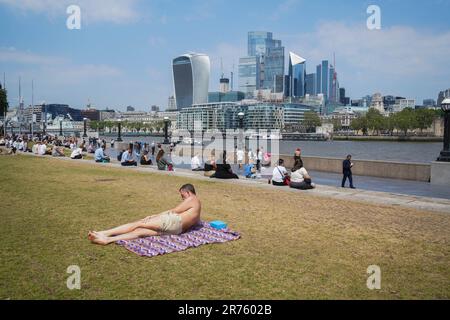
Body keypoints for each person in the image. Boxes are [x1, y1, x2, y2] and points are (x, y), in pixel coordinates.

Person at [88, 184, 201, 245]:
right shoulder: (197, 208)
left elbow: (173, 211)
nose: (182, 198)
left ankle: (104, 233)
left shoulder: (192, 199)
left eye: (182, 195)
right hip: (177, 230)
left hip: (173, 222)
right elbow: (194, 222)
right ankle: (107, 240)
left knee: (139, 223)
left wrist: (154, 216)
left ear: (188, 192)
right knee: (140, 232)